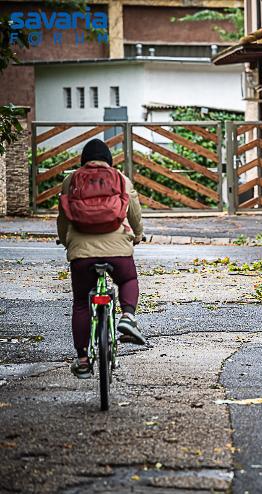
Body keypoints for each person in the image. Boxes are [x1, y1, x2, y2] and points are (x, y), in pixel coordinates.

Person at [57, 138, 147, 379]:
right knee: (128, 279)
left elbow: (63, 218)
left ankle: (83, 360)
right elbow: (134, 212)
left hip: (82, 254)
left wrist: (67, 241)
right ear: (109, 159)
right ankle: (127, 317)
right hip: (117, 249)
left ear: (83, 160)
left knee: (80, 302)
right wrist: (137, 235)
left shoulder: (71, 180)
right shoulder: (120, 179)